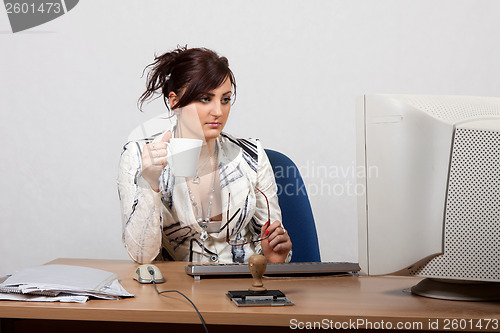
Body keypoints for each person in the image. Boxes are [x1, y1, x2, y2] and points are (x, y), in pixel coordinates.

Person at [117, 46, 292, 264]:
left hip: (242, 288)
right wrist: (151, 183)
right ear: (175, 101)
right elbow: (141, 256)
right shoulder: (139, 155)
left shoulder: (251, 156)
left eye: (225, 99)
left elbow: (270, 242)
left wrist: (276, 256)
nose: (218, 111)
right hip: (177, 292)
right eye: (204, 99)